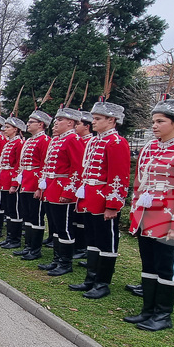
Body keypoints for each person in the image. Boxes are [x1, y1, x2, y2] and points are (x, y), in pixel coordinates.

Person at [121, 97, 174, 331]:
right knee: (148, 265)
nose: (154, 126)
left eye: (160, 121)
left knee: (167, 267)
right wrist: (136, 215)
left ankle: (162, 315)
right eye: (154, 121)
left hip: (169, 219)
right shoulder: (150, 148)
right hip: (147, 216)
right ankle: (147, 310)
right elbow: (139, 184)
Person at [68, 99, 131, 299]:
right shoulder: (95, 141)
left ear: (112, 120)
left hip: (104, 200)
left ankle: (102, 283)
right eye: (93, 118)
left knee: (106, 242)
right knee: (92, 240)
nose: (93, 122)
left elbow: (118, 176)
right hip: (90, 198)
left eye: (97, 119)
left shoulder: (117, 142)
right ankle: (91, 279)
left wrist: (113, 205)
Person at [34, 107, 84, 276]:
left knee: (65, 228)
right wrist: (43, 187)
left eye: (59, 120)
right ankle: (56, 260)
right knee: (55, 227)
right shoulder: (56, 140)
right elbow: (48, 167)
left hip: (63, 188)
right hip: (51, 187)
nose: (55, 124)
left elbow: (77, 169)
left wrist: (69, 192)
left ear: (70, 123)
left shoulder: (73, 139)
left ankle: (65, 262)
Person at [10, 109, 51, 255]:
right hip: (25, 181)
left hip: (35, 183)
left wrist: (40, 186)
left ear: (41, 124)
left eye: (31, 122)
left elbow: (44, 165)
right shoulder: (29, 141)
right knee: (27, 215)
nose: (28, 124)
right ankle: (28, 246)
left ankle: (35, 249)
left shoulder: (45, 140)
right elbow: (21, 164)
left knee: (36, 216)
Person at [0, 117, 26, 245]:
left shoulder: (19, 143)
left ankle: (15, 239)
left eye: (7, 127)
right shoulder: (9, 143)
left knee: (15, 210)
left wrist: (14, 183)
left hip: (12, 179)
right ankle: (9, 237)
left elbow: (18, 165)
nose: (4, 129)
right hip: (5, 178)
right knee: (8, 209)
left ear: (16, 129)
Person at [72, 111, 96, 264]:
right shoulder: (80, 141)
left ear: (87, 127)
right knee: (76, 219)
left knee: (84, 221)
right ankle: (78, 245)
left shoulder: (89, 141)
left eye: (78, 124)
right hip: (80, 186)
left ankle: (83, 248)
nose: (75, 127)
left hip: (89, 187)